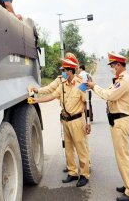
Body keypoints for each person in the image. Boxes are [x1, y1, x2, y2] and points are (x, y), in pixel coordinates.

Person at [30, 58, 91, 187]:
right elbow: (52, 95)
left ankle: (84, 175)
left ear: (69, 71)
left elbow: (87, 104)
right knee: (68, 149)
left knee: (81, 149)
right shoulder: (62, 85)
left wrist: (88, 122)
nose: (62, 73)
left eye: (64, 70)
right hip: (66, 121)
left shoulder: (80, 84)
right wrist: (37, 101)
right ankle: (72, 172)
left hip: (77, 121)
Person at [87, 52, 129, 201]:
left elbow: (108, 95)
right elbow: (109, 92)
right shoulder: (118, 80)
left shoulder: (124, 80)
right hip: (116, 121)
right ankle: (127, 184)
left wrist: (94, 86)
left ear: (118, 65)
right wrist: (95, 86)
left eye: (112, 66)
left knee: (123, 157)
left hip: (120, 121)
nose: (111, 68)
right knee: (121, 157)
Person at [30, 53, 78, 174]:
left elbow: (85, 102)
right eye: (62, 67)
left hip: (77, 118)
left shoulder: (79, 81)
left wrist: (87, 122)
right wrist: (37, 91)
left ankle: (86, 165)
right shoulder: (61, 80)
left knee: (81, 144)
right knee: (67, 144)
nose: (63, 69)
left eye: (65, 67)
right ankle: (71, 166)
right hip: (66, 117)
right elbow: (50, 91)